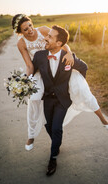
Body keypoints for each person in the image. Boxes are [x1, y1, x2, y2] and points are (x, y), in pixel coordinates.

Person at [11, 14, 108, 151]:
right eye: (25, 29)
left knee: (82, 89)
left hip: (59, 66)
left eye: (30, 25)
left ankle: (102, 118)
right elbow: (30, 66)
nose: (30, 30)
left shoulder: (42, 30)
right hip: (41, 71)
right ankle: (31, 135)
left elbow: (61, 41)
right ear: (20, 32)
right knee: (33, 98)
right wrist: (25, 82)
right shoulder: (21, 43)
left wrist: (70, 53)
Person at [32, 25, 88, 175]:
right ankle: (56, 143)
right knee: (48, 126)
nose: (45, 38)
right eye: (47, 35)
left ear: (59, 43)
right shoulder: (39, 56)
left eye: (50, 37)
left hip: (63, 99)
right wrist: (24, 84)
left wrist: (77, 86)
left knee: (56, 128)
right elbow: (32, 73)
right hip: (47, 99)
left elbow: (84, 67)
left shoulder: (68, 57)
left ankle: (53, 157)